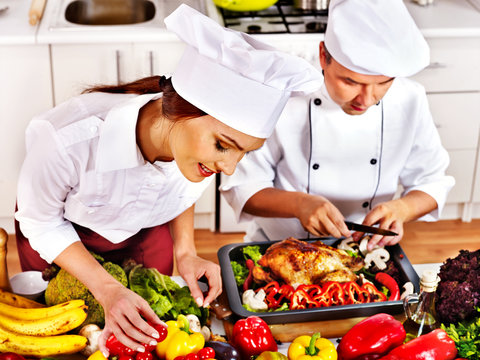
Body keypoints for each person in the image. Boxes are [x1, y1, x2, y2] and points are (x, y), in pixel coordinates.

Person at [14, 4, 322, 355]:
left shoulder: (198, 152)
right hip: (62, 240)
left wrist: (186, 252)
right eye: (223, 145)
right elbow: (41, 222)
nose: (230, 168)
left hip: (147, 233)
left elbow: (182, 190)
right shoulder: (67, 140)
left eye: (244, 152)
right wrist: (107, 288)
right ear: (179, 109)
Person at [220, 0, 455, 251]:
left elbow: (432, 182)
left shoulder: (410, 98)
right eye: (350, 82)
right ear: (323, 56)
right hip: (278, 248)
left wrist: (402, 208)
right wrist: (300, 204)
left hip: (364, 252)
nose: (366, 99)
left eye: (383, 83)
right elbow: (243, 187)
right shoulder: (284, 97)